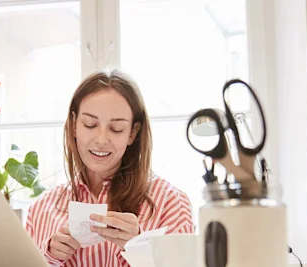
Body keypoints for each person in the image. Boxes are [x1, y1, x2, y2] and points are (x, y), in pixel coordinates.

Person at [25, 69, 194, 267]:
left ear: (132, 133)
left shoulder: (170, 203)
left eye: (116, 129)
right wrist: (49, 257)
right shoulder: (41, 210)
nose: (101, 139)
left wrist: (141, 250)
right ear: (74, 125)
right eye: (89, 125)